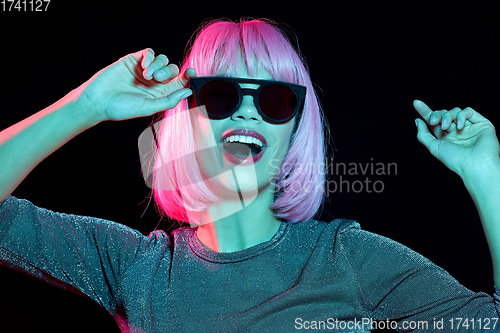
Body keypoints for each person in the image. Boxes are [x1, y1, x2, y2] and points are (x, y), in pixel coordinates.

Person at [0, 18, 499, 332]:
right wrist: (86, 106)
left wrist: (487, 175)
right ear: (186, 119)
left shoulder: (345, 258)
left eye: (275, 100)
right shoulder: (136, 267)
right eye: (219, 94)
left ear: (294, 134)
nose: (247, 113)